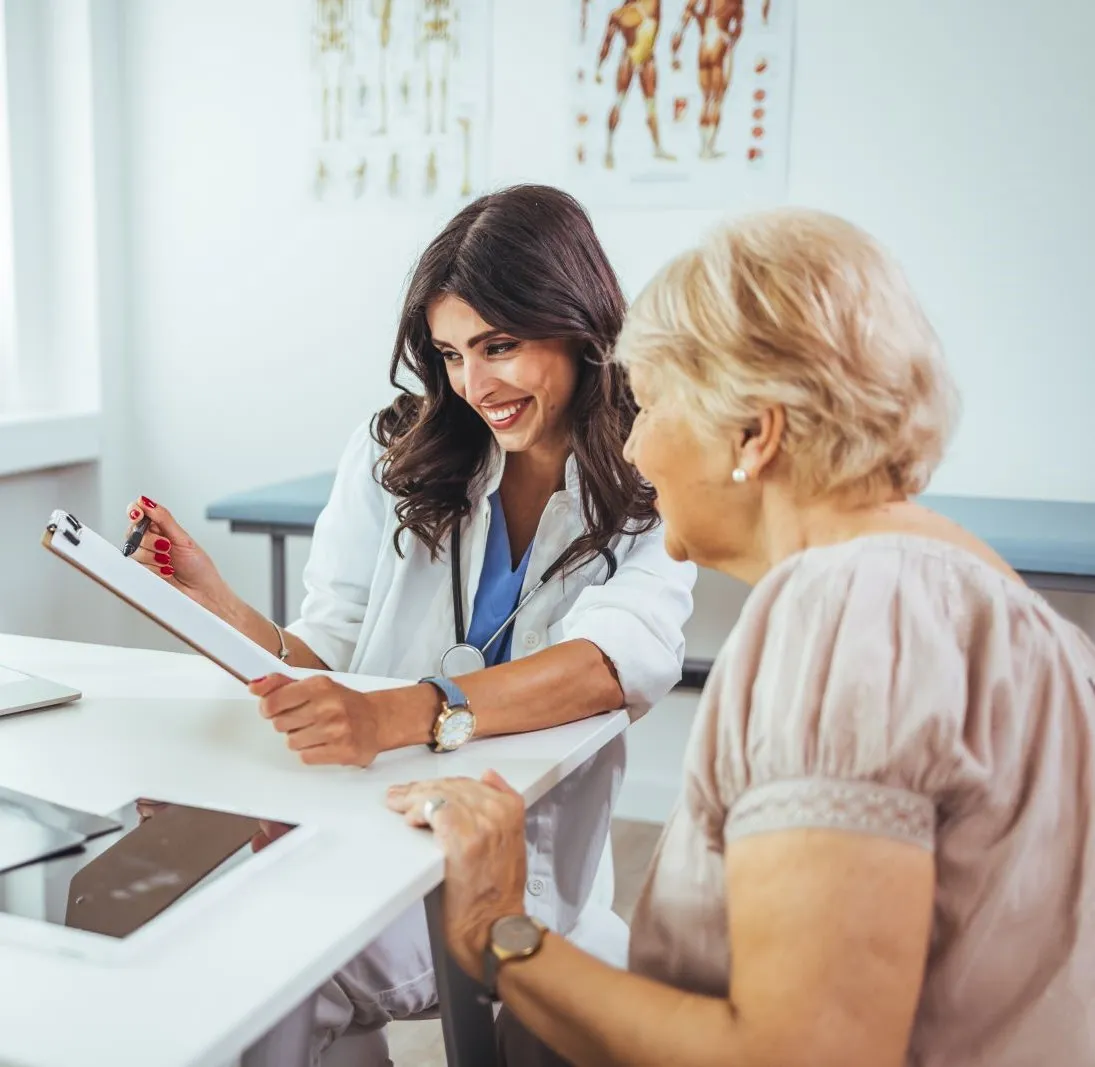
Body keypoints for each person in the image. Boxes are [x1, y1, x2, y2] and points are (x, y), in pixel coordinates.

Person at [388, 207, 1095, 1066]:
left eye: (648, 407)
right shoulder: (974, 588)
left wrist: (497, 930)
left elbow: (798, 1051)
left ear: (753, 434)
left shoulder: (843, 612)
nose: (636, 448)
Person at [122, 184, 696, 1064]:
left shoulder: (651, 464)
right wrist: (217, 607)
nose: (475, 384)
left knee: (280, 966)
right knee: (218, 937)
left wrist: (393, 715)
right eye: (452, 353)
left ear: (579, 326)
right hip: (361, 823)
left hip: (518, 859)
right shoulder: (397, 450)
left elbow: (611, 664)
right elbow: (327, 651)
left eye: (500, 346)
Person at [595, 0, 675, 168]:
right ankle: (609, 149)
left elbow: (607, 42)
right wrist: (599, 67)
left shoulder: (650, 5)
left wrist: (600, 68)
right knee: (620, 102)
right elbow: (607, 42)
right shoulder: (619, 14)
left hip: (646, 60)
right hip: (630, 59)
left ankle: (657, 147)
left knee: (650, 105)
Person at [671, 0, 744, 159]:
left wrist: (675, 52)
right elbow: (738, 27)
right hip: (720, 44)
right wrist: (730, 39)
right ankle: (708, 149)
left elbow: (685, 18)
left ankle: (703, 146)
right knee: (717, 100)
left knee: (706, 100)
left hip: (704, 46)